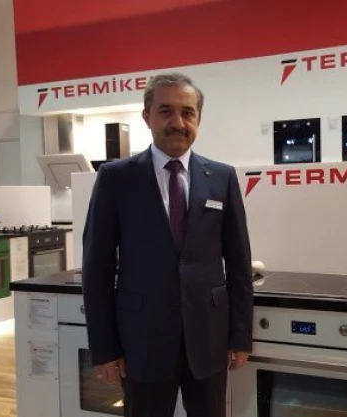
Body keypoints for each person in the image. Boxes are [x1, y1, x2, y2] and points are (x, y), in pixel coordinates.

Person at [81, 72, 254, 417]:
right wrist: (104, 348)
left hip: (209, 339)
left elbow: (239, 263)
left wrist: (239, 336)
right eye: (166, 111)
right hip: (142, 340)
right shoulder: (117, 178)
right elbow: (97, 267)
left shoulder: (221, 177)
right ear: (147, 116)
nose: (178, 122)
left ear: (198, 119)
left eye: (188, 113)